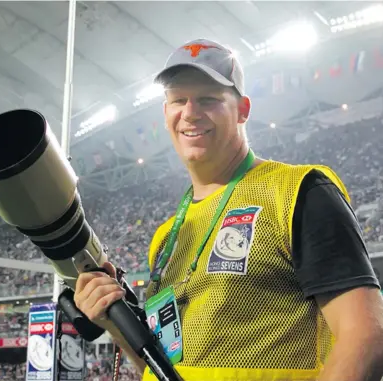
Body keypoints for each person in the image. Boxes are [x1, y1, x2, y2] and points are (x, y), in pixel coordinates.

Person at [74, 39, 383, 381]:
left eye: (209, 99)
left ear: (243, 109)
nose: (190, 112)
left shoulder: (297, 193)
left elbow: (366, 337)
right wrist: (112, 320)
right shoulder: (166, 238)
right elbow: (162, 368)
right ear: (166, 114)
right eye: (179, 100)